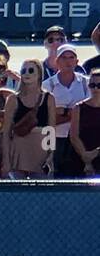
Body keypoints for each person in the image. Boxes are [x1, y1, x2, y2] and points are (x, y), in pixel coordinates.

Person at [1, 59, 56, 176]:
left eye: (31, 70)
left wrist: (51, 154)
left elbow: (51, 130)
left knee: (41, 190)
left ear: (39, 74)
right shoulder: (13, 99)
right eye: (23, 70)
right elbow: (6, 132)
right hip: (18, 150)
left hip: (41, 149)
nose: (26, 74)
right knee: (17, 191)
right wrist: (6, 160)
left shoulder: (49, 98)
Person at [45, 44, 89, 176]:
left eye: (71, 57)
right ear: (57, 61)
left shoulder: (87, 83)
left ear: (77, 61)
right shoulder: (47, 86)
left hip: (81, 140)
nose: (68, 61)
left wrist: (61, 112)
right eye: (63, 58)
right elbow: (46, 120)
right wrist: (74, 113)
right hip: (55, 140)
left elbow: (88, 114)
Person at [68, 67, 100, 174]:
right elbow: (74, 136)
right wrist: (86, 158)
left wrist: (96, 152)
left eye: (99, 86)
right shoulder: (78, 108)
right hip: (80, 157)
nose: (95, 89)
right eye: (92, 85)